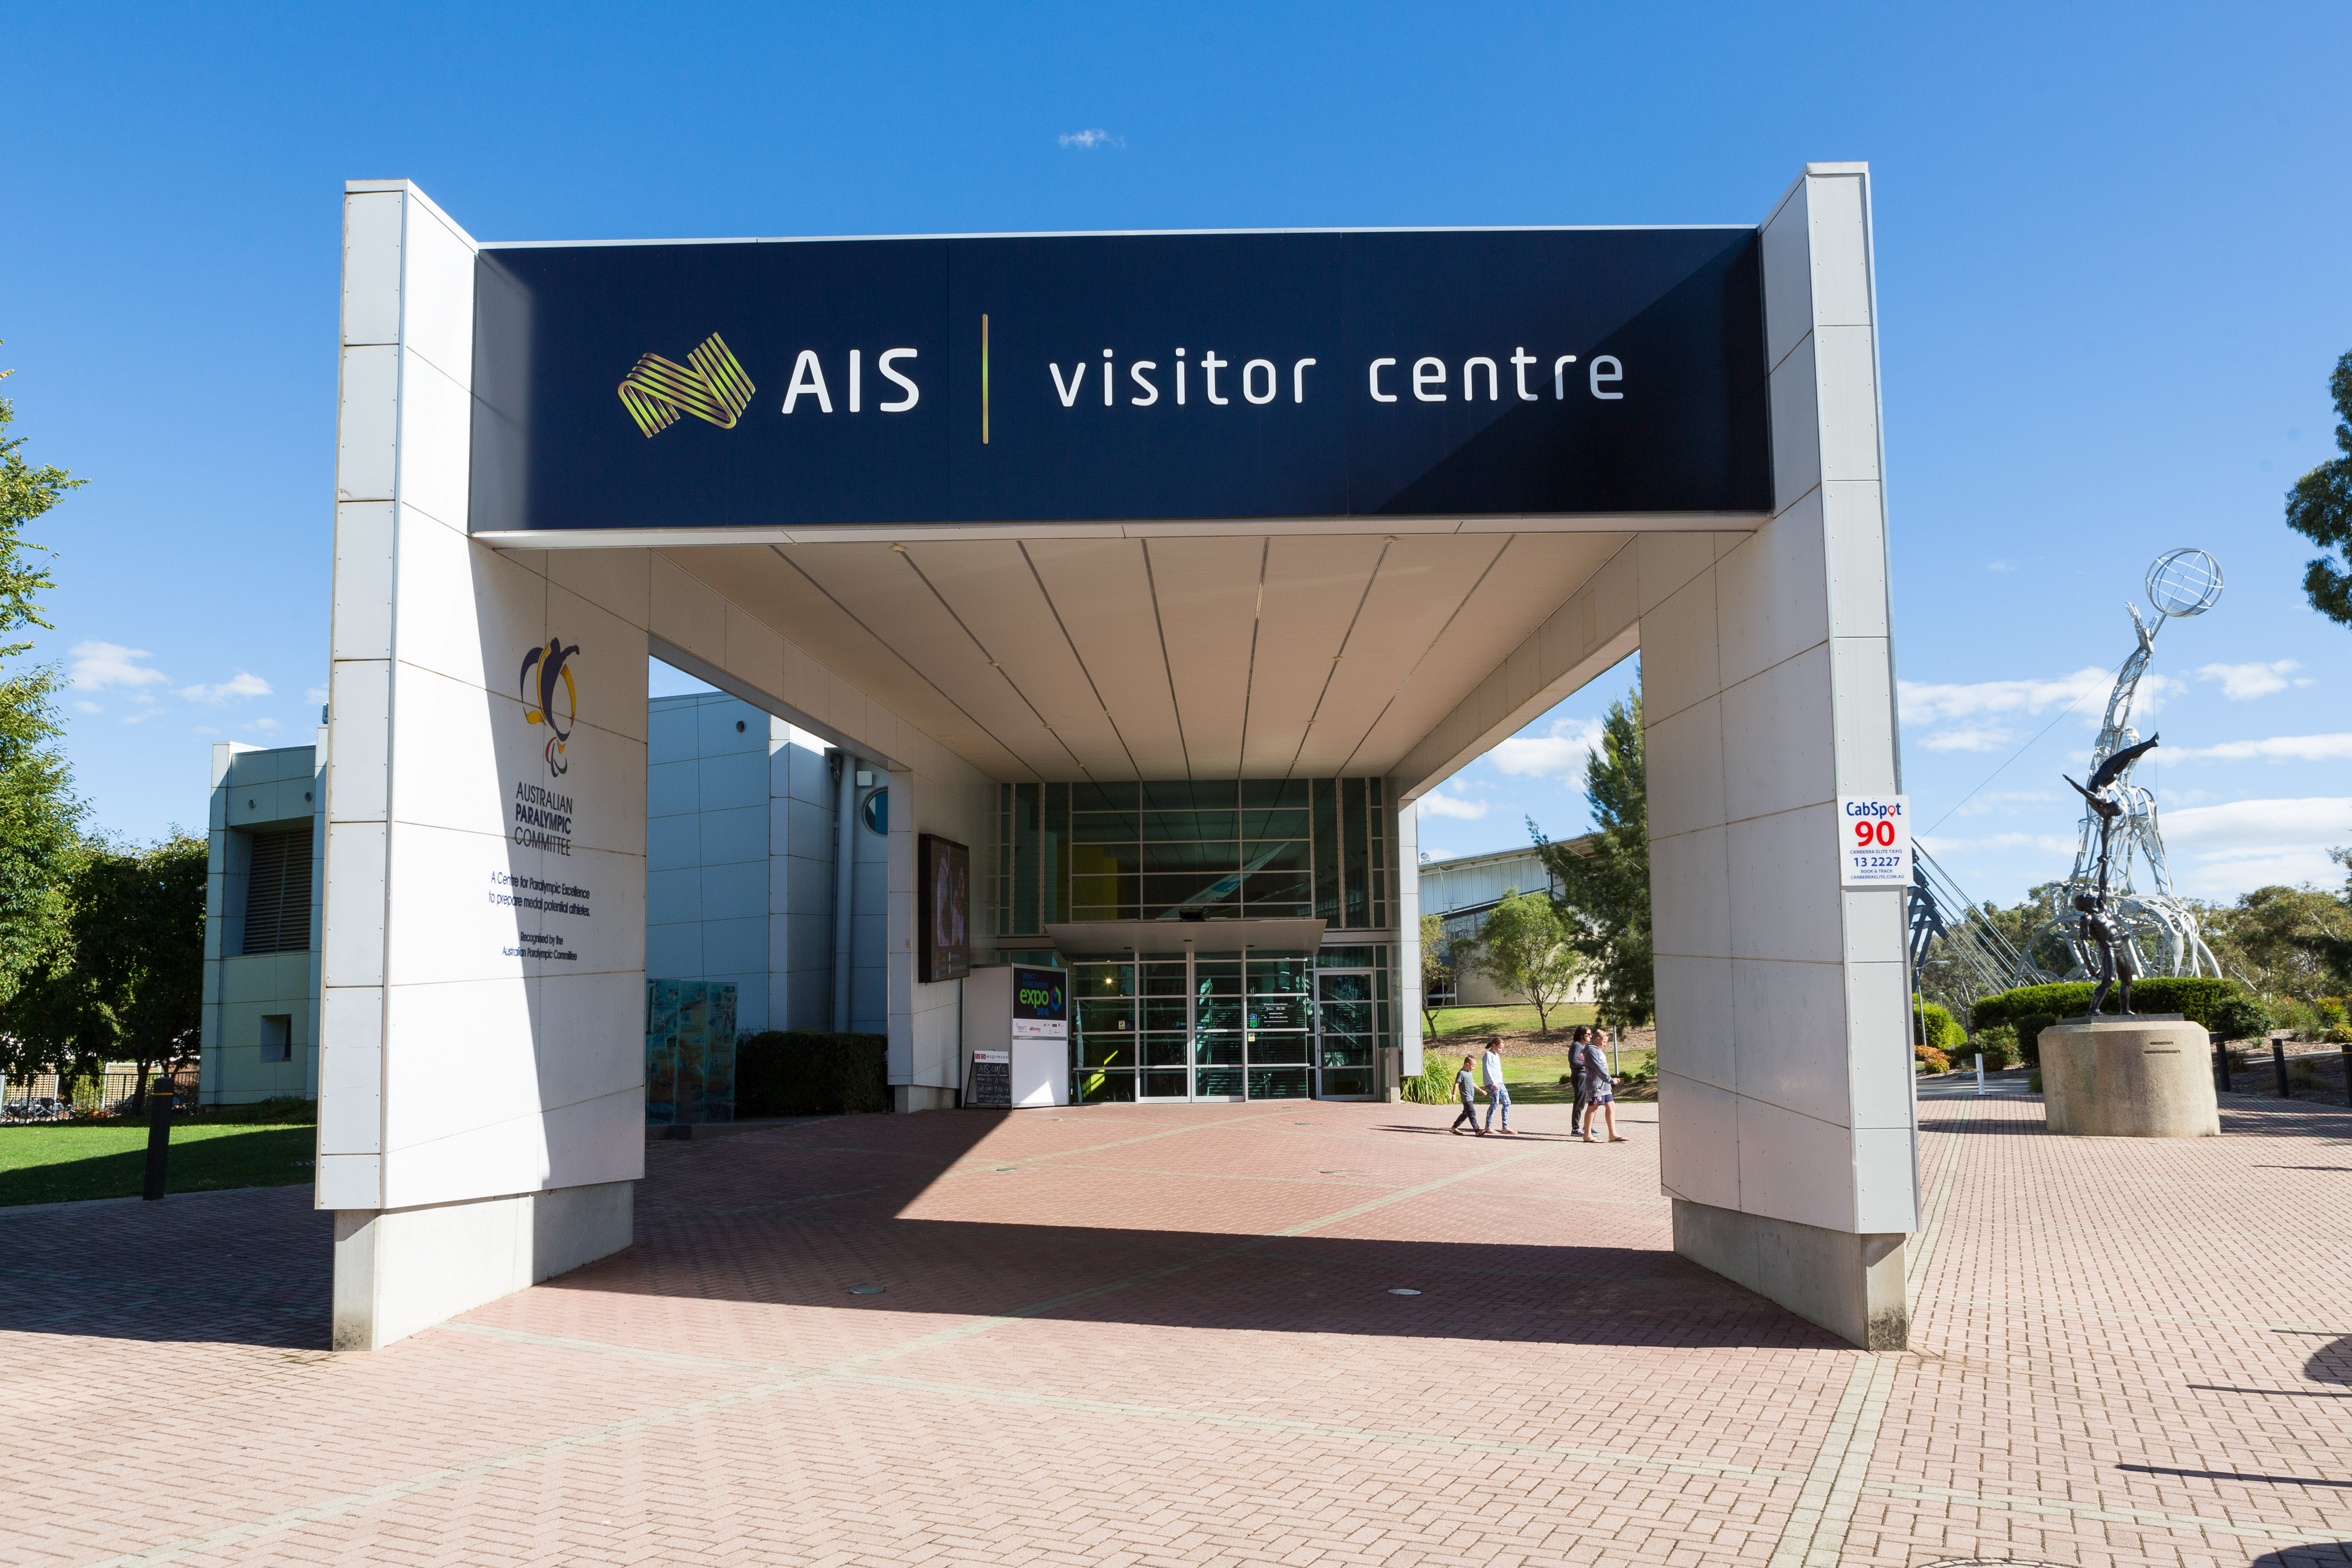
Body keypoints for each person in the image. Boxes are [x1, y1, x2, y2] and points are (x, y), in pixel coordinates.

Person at [1578, 1031, 1624, 1143]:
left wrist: (1608, 1082)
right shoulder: (1591, 1050)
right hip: (1596, 1086)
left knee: (1611, 1107)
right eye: (1604, 1041)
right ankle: (1588, 1135)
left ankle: (1613, 1134)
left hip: (1605, 1087)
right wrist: (1610, 1079)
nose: (1605, 1044)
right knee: (1593, 1108)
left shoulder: (1598, 1050)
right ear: (1597, 1039)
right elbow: (1597, 1068)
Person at [1481, 1035, 1513, 1134]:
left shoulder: (1497, 1056)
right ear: (1494, 1045)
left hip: (1500, 1083)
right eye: (1500, 1048)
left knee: (1507, 1102)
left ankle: (1505, 1127)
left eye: (1502, 1048)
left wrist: (1499, 1082)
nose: (1501, 1050)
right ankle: (1488, 1127)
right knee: (1495, 1103)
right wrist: (1493, 1082)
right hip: (1492, 1083)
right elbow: (1487, 1069)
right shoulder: (1488, 1055)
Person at [1449, 1055, 1485, 1135]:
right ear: (1467, 1064)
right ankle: (1477, 1130)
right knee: (1472, 1112)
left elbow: (1472, 1083)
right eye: (1472, 1066)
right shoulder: (1461, 1073)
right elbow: (1456, 1084)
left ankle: (1454, 1127)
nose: (1474, 1068)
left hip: (1471, 1097)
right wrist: (1454, 1095)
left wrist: (1480, 1090)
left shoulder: (1469, 1073)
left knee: (1466, 1114)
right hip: (1466, 1097)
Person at [1567, 1025, 1590, 1127]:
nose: (1590, 1036)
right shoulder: (1577, 1046)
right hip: (1579, 1076)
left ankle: (1588, 1127)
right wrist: (1588, 1063)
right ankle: (1576, 1128)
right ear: (1582, 1035)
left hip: (1586, 1076)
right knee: (1580, 1103)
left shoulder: (1583, 1046)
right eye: (1588, 1034)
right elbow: (1574, 1061)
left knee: (1591, 1103)